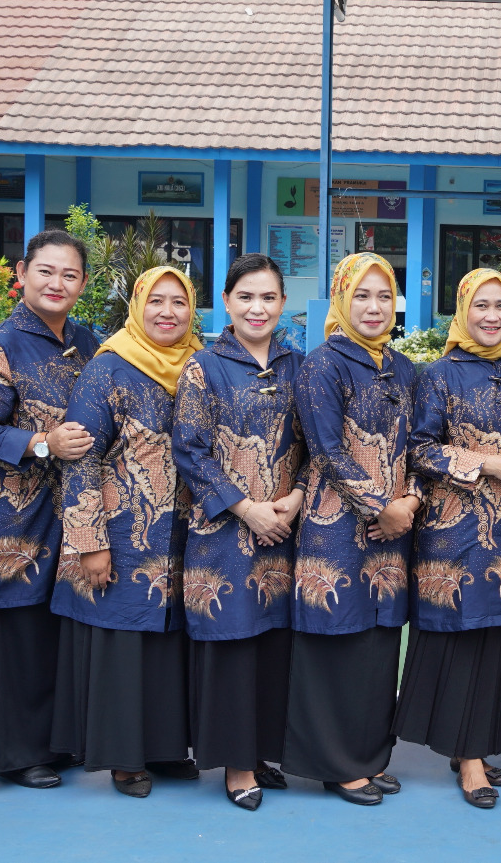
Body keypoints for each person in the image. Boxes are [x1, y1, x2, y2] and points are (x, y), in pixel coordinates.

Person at [50, 266, 203, 797]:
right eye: (156, 300)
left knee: (169, 644)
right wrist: (89, 542)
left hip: (184, 533)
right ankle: (123, 758)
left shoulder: (198, 365)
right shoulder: (108, 368)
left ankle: (165, 747)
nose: (168, 312)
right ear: (137, 305)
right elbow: (80, 459)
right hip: (122, 534)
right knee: (124, 643)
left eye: (178, 302)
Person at [0, 230, 100, 789]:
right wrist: (43, 443)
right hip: (13, 513)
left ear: (83, 283)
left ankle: (57, 743)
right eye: (46, 271)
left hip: (72, 510)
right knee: (14, 630)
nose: (57, 283)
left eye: (69, 274)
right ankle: (16, 754)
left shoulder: (89, 342)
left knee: (55, 628)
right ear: (22, 273)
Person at [396, 268, 501, 810]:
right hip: (454, 533)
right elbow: (420, 449)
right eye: (480, 305)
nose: (492, 316)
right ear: (462, 311)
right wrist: (489, 464)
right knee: (462, 635)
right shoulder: (439, 375)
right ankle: (470, 759)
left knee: (499, 638)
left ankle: (476, 745)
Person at [173, 254, 307, 811]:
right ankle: (237, 765)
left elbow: (317, 442)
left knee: (274, 644)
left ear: (283, 304)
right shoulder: (203, 367)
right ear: (226, 303)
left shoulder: (299, 366)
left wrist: (297, 497)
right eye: (246, 297)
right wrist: (246, 508)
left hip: (284, 531)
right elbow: (190, 450)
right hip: (224, 534)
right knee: (232, 643)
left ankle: (264, 751)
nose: (258, 308)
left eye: (268, 297)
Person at [287, 252, 421, 806]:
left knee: (377, 646)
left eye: (384, 296)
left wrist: (410, 499)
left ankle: (368, 757)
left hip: (392, 533)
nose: (374, 307)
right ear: (342, 299)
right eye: (361, 295)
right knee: (335, 643)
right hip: (335, 528)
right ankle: (336, 764)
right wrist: (380, 507)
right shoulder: (322, 364)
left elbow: (418, 444)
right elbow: (326, 450)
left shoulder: (403, 368)